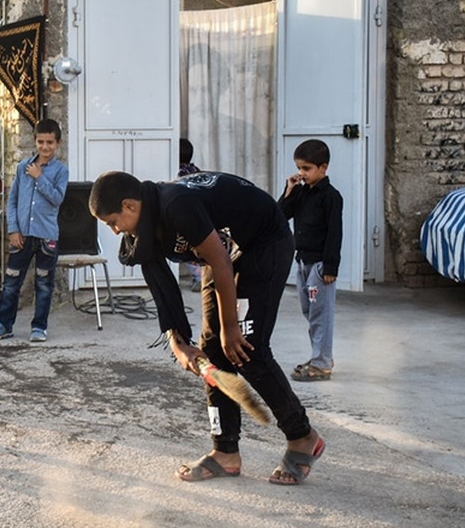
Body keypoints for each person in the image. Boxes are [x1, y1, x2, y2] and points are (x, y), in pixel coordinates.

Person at [89, 170, 325, 485]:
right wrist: (179, 342)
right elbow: (162, 287)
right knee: (211, 355)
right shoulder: (142, 231)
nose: (116, 231)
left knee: (245, 348)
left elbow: (221, 263)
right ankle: (225, 452)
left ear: (130, 206)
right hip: (222, 254)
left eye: (113, 222)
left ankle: (302, 436)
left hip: (263, 243)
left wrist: (230, 327)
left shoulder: (176, 206)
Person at [0, 119, 69, 343]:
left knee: (43, 283)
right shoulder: (23, 167)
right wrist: (13, 229)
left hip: (47, 236)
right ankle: (3, 324)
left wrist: (40, 177)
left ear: (57, 143)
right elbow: (12, 202)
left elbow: (57, 198)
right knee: (11, 282)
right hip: (21, 236)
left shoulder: (61, 171)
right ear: (35, 141)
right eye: (41, 142)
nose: (45, 147)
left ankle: (39, 327)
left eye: (50, 142)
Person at [279, 138, 343, 382]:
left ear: (323, 168)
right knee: (310, 310)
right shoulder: (301, 193)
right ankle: (320, 356)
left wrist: (330, 266)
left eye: (306, 169)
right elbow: (280, 216)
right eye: (299, 168)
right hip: (303, 262)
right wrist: (289, 191)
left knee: (321, 314)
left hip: (319, 266)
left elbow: (335, 233)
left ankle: (322, 362)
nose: (301, 173)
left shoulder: (331, 197)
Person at [177, 138, 203, 290]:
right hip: (200, 214)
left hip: (187, 215)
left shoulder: (179, 173)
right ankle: (200, 275)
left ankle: (198, 275)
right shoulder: (196, 170)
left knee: (184, 246)